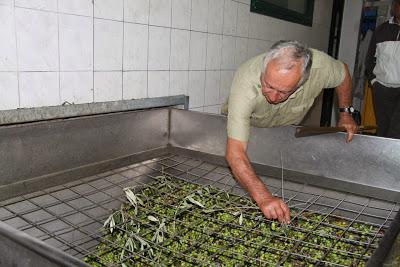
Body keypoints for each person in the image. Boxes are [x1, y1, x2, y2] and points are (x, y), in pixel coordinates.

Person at [221, 40, 357, 223]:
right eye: (268, 86)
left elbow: (343, 74)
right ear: (264, 68)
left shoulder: (320, 67)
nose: (273, 97)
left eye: (284, 92)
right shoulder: (246, 81)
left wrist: (345, 113)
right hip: (250, 125)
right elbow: (234, 152)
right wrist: (264, 197)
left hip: (284, 126)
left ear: (302, 81)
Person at [365, 0, 400, 138]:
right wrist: (374, 82)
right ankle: (380, 158)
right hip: (382, 89)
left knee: (396, 130)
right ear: (393, 6)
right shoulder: (381, 30)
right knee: (383, 127)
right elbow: (369, 58)